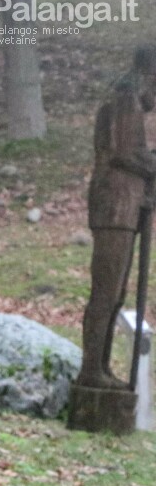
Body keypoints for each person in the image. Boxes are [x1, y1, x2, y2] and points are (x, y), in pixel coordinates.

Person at [78, 45, 156, 389]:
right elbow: (127, 153)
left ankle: (101, 366)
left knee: (117, 294)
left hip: (126, 206)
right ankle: (91, 369)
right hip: (114, 205)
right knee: (106, 292)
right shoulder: (125, 99)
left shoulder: (131, 101)